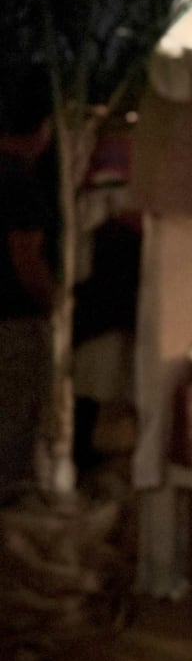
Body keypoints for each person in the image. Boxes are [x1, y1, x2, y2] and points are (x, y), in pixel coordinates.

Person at [0, 70, 58, 502]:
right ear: (40, 129)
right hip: (14, 322)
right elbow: (26, 259)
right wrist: (57, 304)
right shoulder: (19, 181)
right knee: (15, 427)